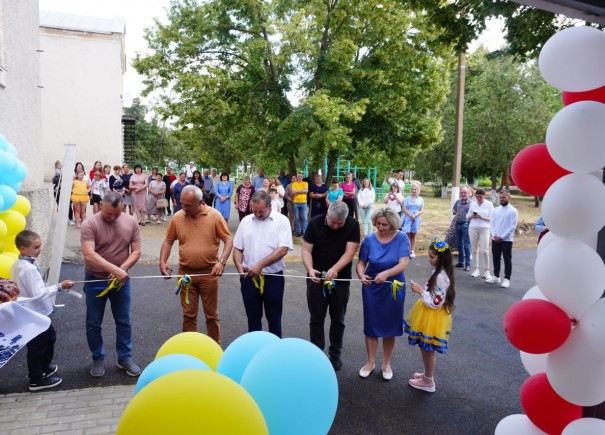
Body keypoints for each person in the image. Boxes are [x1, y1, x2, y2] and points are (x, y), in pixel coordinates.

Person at [159, 186, 233, 343]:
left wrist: (222, 261)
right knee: (189, 315)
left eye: (188, 205)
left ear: (200, 202)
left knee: (212, 316)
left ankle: (215, 349)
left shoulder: (214, 216)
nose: (183, 208)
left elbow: (228, 240)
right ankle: (190, 349)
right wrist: (162, 262)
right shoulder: (178, 217)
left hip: (209, 274)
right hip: (186, 274)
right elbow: (168, 241)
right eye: (182, 203)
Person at [81, 191, 142, 377]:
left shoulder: (131, 221)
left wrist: (122, 268)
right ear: (101, 206)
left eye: (117, 213)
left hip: (120, 282)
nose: (113, 217)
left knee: (124, 321)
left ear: (122, 206)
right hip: (95, 279)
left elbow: (136, 251)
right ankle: (98, 357)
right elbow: (89, 254)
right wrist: (113, 270)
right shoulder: (89, 223)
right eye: (108, 214)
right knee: (93, 322)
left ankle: (124, 357)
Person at [10, 230, 75, 391]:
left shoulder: (21, 264)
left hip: (34, 313)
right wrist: (60, 286)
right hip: (34, 313)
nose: (39, 250)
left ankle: (43, 368)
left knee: (49, 339)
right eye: (36, 247)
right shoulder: (28, 268)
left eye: (40, 246)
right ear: (22, 249)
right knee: (37, 346)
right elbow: (38, 293)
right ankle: (36, 380)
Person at [302, 201, 360, 371]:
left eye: (339, 223)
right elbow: (306, 250)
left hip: (340, 280)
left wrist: (335, 269)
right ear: (327, 213)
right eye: (333, 222)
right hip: (316, 278)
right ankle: (317, 354)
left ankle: (335, 354)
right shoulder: (315, 223)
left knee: (338, 318)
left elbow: (350, 253)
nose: (335, 226)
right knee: (316, 318)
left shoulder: (352, 225)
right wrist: (310, 269)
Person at [356, 207, 410, 381]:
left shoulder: (402, 238)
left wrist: (386, 273)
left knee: (389, 326)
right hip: (372, 287)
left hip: (393, 286)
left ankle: (386, 363)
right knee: (371, 325)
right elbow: (361, 262)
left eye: (384, 224)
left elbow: (403, 264)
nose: (380, 227)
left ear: (393, 224)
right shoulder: (370, 239)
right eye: (377, 223)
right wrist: (361, 274)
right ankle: (370, 362)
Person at [233, 191, 293, 337]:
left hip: (273, 277)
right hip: (249, 278)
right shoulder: (246, 221)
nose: (257, 215)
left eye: (261, 211)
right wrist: (238, 264)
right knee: (253, 319)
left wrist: (260, 265)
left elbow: (283, 249)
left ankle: (275, 353)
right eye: (254, 211)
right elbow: (238, 249)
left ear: (270, 207)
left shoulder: (282, 221)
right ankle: (255, 352)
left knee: (274, 318)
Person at [405, 238, 456, 393]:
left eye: (432, 257)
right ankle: (427, 374)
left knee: (428, 349)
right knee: (425, 347)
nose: (429, 259)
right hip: (430, 315)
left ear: (441, 258)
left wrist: (421, 291)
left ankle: (428, 381)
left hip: (433, 316)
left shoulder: (441, 277)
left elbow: (436, 302)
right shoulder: (439, 272)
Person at [486, 190, 518, 288]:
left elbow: (512, 226)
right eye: (500, 197)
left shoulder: (513, 211)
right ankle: (496, 276)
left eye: (504, 197)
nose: (501, 199)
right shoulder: (496, 210)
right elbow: (492, 223)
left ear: (509, 198)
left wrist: (502, 237)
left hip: (507, 240)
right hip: (495, 238)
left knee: (507, 259)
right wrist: (494, 235)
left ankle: (507, 278)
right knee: (496, 257)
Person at [467, 188, 494, 280]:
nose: (479, 198)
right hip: (473, 227)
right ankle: (476, 269)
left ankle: (486, 271)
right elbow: (468, 216)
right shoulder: (473, 203)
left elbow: (492, 218)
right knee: (474, 249)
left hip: (485, 228)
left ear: (484, 196)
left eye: (481, 197)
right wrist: (472, 216)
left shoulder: (489, 204)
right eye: (477, 196)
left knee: (485, 250)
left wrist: (481, 217)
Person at [401, 182, 424, 258]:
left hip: (416, 218)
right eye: (413, 189)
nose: (414, 190)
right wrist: (410, 215)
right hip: (408, 217)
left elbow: (421, 210)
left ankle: (412, 250)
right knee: (407, 234)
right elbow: (404, 208)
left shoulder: (420, 199)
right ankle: (406, 250)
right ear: (411, 190)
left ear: (418, 190)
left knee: (413, 234)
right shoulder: (407, 198)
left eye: (416, 189)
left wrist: (415, 215)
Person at [452, 186, 472, 271]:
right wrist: (455, 212)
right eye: (462, 193)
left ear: (469, 194)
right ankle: (461, 262)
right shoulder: (458, 202)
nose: (463, 194)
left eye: (465, 193)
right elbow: (454, 210)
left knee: (466, 245)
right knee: (459, 244)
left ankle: (468, 264)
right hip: (458, 224)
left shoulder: (471, 203)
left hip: (466, 225)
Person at [291, 172, 309, 236]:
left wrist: (297, 191)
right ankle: (298, 232)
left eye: (301, 176)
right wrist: (302, 191)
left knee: (304, 218)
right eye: (298, 176)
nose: (299, 178)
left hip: (304, 202)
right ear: (297, 177)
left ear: (302, 177)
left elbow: (306, 191)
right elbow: (293, 192)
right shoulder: (294, 183)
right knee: (297, 218)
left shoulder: (305, 183)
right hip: (296, 202)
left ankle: (305, 232)